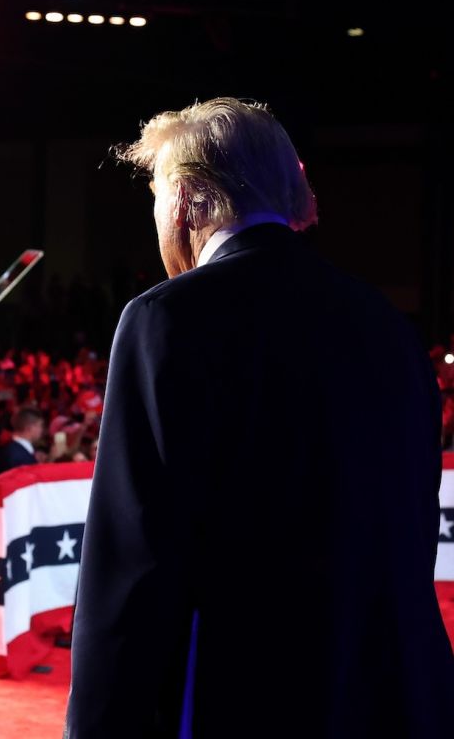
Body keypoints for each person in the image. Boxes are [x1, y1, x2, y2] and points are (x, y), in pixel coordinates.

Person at [65, 98, 454, 738]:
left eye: (157, 198)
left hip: (243, 690)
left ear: (187, 199)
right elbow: (413, 521)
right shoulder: (386, 324)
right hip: (390, 688)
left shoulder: (166, 319)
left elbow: (131, 562)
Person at [0, 407, 43, 475]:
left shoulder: (11, 449)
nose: (41, 430)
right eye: (40, 426)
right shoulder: (19, 457)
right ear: (29, 428)